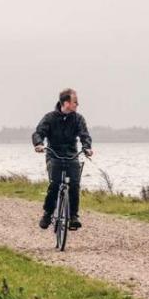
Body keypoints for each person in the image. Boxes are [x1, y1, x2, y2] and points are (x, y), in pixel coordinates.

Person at [32, 88, 94, 230]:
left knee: (75, 185)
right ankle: (47, 214)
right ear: (66, 103)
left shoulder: (78, 119)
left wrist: (87, 147)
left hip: (72, 155)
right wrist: (39, 144)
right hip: (54, 154)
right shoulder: (49, 118)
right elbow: (38, 132)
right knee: (54, 184)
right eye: (75, 102)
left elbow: (84, 135)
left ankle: (73, 216)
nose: (77, 105)